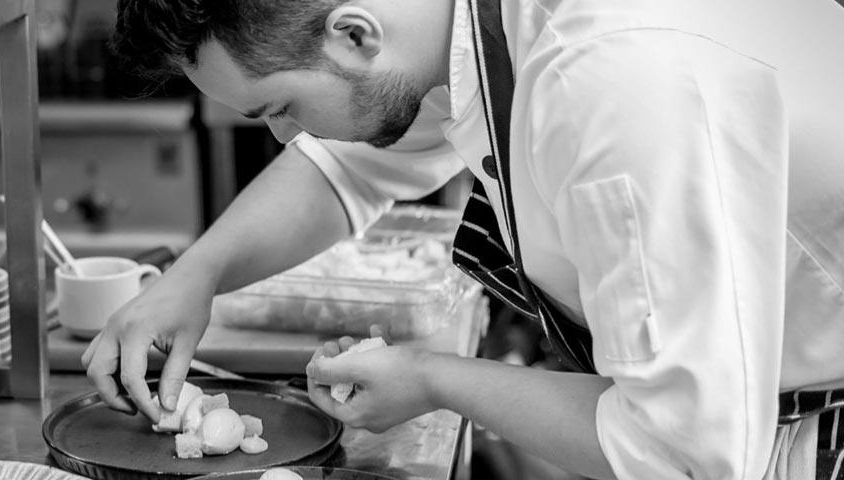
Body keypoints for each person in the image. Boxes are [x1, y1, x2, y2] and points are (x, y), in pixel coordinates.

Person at [84, 0, 844, 478]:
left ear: (353, 34)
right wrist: (197, 274)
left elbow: (685, 458)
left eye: (278, 106)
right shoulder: (452, 29)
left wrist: (434, 379)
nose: (285, 135)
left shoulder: (611, 80)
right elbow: (345, 159)